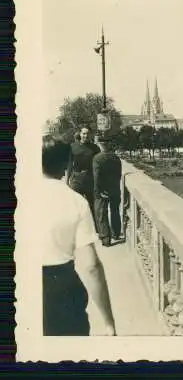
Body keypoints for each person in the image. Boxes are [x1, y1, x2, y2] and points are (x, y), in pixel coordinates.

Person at [42, 134, 116, 336]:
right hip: (61, 288)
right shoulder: (74, 202)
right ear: (67, 164)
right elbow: (91, 266)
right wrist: (109, 323)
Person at [66, 126, 100, 228]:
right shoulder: (72, 147)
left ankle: (95, 228)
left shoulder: (95, 148)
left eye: (88, 133)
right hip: (76, 179)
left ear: (91, 134)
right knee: (76, 205)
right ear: (80, 134)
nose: (86, 136)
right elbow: (69, 165)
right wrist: (67, 180)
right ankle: (75, 228)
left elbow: (98, 165)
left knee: (92, 205)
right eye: (84, 133)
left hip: (90, 179)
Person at [93, 135, 122, 247]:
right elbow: (119, 175)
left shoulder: (97, 158)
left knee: (102, 214)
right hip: (114, 189)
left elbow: (96, 177)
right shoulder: (116, 158)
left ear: (100, 145)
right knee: (115, 211)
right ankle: (116, 233)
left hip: (102, 191)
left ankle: (106, 239)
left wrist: (98, 191)